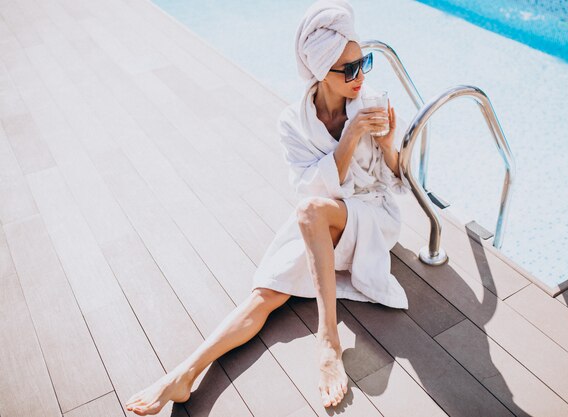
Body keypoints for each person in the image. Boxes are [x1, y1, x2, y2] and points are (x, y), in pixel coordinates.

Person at [125, 0, 411, 414]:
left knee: (310, 214)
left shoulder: (371, 104)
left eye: (363, 62)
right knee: (264, 295)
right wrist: (349, 137)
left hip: (372, 218)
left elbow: (398, 181)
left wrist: (387, 146)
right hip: (325, 218)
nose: (360, 75)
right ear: (320, 71)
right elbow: (309, 188)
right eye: (348, 68)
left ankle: (327, 339)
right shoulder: (292, 123)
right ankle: (185, 372)